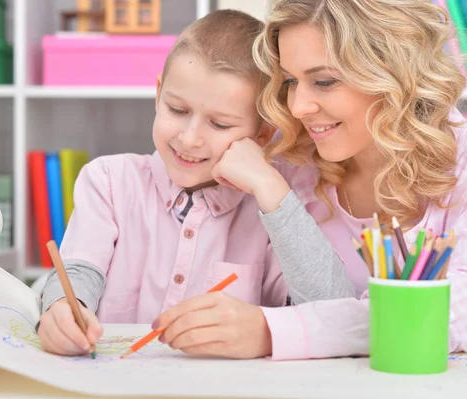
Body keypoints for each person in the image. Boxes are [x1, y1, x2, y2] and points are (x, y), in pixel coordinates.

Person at [156, 0, 467, 360]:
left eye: (323, 81)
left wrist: (275, 332)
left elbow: (453, 311)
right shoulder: (288, 157)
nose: (298, 106)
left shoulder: (458, 160)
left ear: (394, 73)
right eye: (290, 81)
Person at [37, 9, 355, 358]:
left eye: (219, 125)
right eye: (177, 110)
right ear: (158, 94)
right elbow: (79, 270)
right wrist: (62, 310)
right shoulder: (110, 182)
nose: (189, 139)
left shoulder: (274, 210)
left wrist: (268, 186)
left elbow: (333, 313)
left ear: (260, 133)